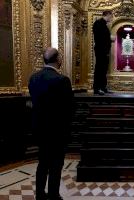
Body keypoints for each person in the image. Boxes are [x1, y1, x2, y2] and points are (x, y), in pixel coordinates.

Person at [28, 47, 73, 200]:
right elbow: (69, 109)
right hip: (57, 132)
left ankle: (40, 194)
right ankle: (53, 195)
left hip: (40, 130)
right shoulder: (62, 80)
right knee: (55, 165)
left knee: (42, 163)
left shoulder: (33, 78)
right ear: (58, 59)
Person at [93, 10, 113, 95]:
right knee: (99, 69)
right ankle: (97, 89)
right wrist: (110, 38)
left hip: (104, 51)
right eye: (111, 16)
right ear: (107, 15)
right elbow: (100, 38)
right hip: (101, 50)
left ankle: (103, 87)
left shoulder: (104, 24)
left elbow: (103, 37)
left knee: (104, 70)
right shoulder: (98, 23)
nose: (111, 18)